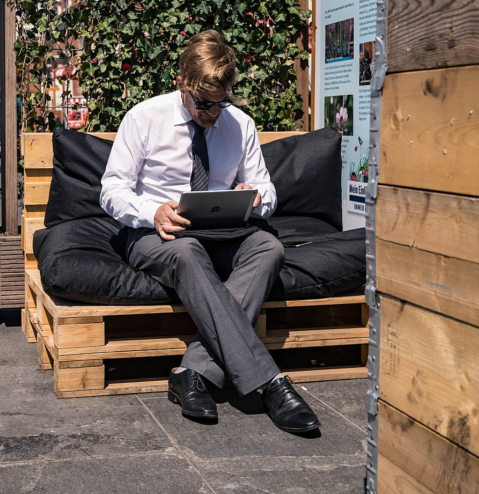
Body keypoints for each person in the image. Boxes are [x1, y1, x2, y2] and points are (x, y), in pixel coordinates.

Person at [100, 30, 321, 434]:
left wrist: (255, 198)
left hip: (224, 231)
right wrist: (153, 212)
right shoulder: (144, 118)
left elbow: (266, 187)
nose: (212, 112)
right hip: (158, 234)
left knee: (269, 248)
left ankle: (194, 371)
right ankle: (270, 383)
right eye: (204, 103)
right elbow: (112, 189)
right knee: (188, 254)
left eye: (221, 103)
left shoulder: (240, 124)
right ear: (181, 82)